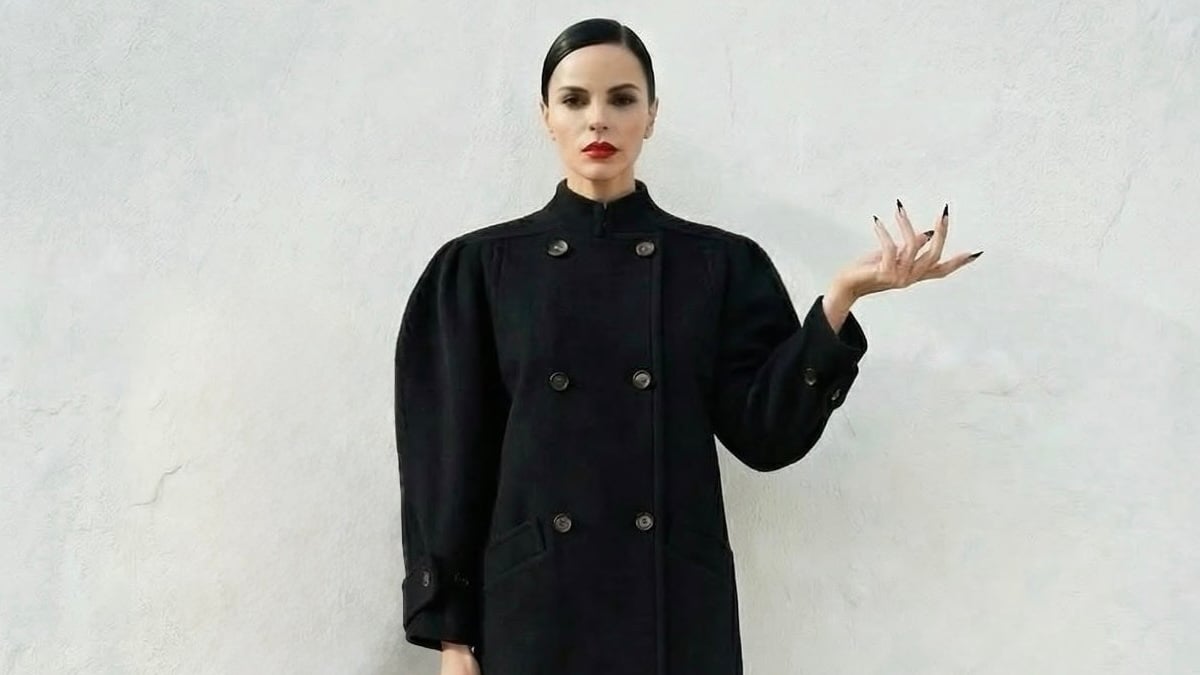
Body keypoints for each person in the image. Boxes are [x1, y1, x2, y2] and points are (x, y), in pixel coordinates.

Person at [394, 17, 981, 675]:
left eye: (622, 99)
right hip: (532, 611)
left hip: (673, 610)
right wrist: (454, 640)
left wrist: (840, 300)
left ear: (651, 115)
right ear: (546, 116)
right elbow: (448, 461)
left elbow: (766, 434)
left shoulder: (716, 265)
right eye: (575, 100)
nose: (598, 120)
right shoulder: (479, 269)